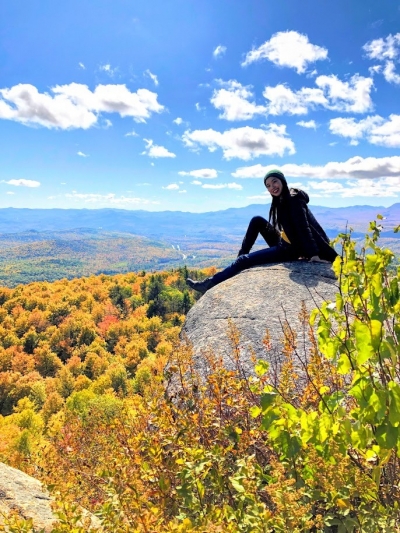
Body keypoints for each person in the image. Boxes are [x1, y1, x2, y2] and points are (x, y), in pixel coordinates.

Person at [186, 169, 338, 294]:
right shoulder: (283, 199)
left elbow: (304, 227)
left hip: (290, 249)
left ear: (282, 181)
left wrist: (314, 254)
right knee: (257, 220)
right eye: (268, 186)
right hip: (286, 241)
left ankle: (209, 284)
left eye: (274, 182)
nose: (272, 187)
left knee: (243, 261)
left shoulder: (293, 200)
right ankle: (240, 260)